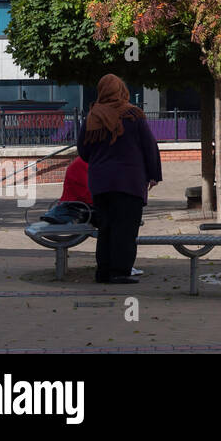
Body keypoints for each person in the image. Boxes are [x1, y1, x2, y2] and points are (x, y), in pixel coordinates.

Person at [77, 74, 162, 285]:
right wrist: (153, 174)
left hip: (100, 182)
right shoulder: (133, 115)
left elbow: (83, 151)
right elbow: (149, 146)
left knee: (105, 227)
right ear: (121, 90)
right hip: (129, 182)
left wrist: (100, 161)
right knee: (125, 228)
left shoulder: (92, 117)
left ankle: (103, 272)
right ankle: (119, 271)